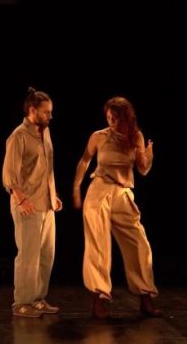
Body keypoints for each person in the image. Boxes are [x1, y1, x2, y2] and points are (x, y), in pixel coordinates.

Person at [72, 96, 162, 319]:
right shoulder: (99, 136)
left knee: (139, 244)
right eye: (109, 116)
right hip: (99, 191)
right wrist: (76, 188)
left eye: (116, 117)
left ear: (125, 117)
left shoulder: (136, 136)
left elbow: (143, 169)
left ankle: (145, 296)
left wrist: (147, 155)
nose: (111, 120)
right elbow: (85, 160)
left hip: (123, 193)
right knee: (98, 246)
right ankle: (98, 299)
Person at [2, 87, 63, 318]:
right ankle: (21, 303)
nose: (50, 116)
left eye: (51, 112)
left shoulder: (44, 133)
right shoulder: (18, 136)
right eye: (46, 112)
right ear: (32, 110)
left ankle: (37, 298)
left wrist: (53, 195)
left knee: (46, 255)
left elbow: (45, 169)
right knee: (28, 256)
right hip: (27, 204)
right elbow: (9, 174)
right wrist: (21, 199)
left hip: (46, 204)